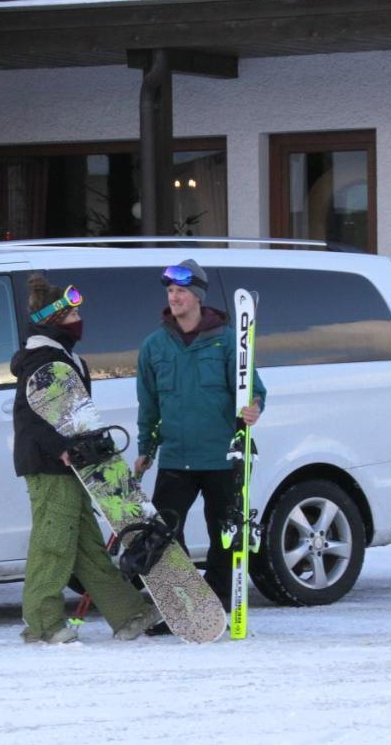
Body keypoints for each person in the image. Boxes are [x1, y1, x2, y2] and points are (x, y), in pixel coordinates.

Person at [12, 274, 162, 644]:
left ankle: (128, 613)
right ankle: (43, 621)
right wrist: (60, 447)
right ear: (52, 321)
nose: (78, 321)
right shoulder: (41, 360)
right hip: (49, 467)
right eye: (70, 316)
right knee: (54, 540)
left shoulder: (65, 357)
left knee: (85, 544)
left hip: (73, 465)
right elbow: (30, 419)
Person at [135, 259, 265, 628]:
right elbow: (150, 404)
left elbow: (253, 388)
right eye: (171, 291)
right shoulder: (155, 346)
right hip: (177, 456)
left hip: (223, 457)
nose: (174, 298)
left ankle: (219, 603)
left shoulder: (228, 340)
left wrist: (253, 407)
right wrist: (146, 449)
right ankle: (179, 604)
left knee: (223, 535)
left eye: (181, 292)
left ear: (197, 297)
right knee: (163, 535)